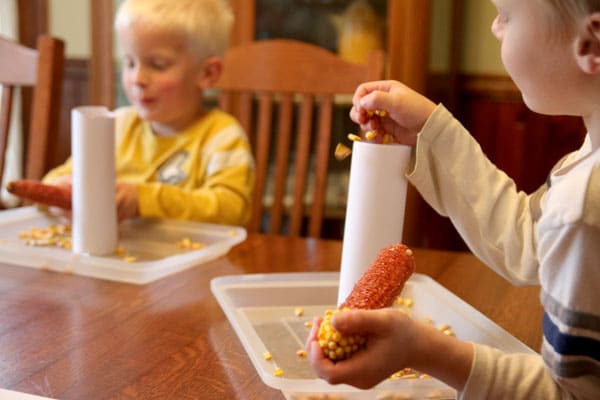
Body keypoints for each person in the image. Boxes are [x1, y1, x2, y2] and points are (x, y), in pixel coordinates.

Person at [306, 0, 600, 399]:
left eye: (507, 16)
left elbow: (575, 394)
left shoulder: (585, 205)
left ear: (592, 43)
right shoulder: (587, 166)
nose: (496, 28)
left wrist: (429, 351)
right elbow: (530, 241)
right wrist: (433, 131)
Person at [43, 0, 255, 226]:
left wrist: (143, 200)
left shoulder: (222, 137)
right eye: (130, 63)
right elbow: (54, 180)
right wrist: (62, 191)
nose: (137, 79)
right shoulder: (116, 126)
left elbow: (232, 209)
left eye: (158, 65)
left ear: (208, 73)